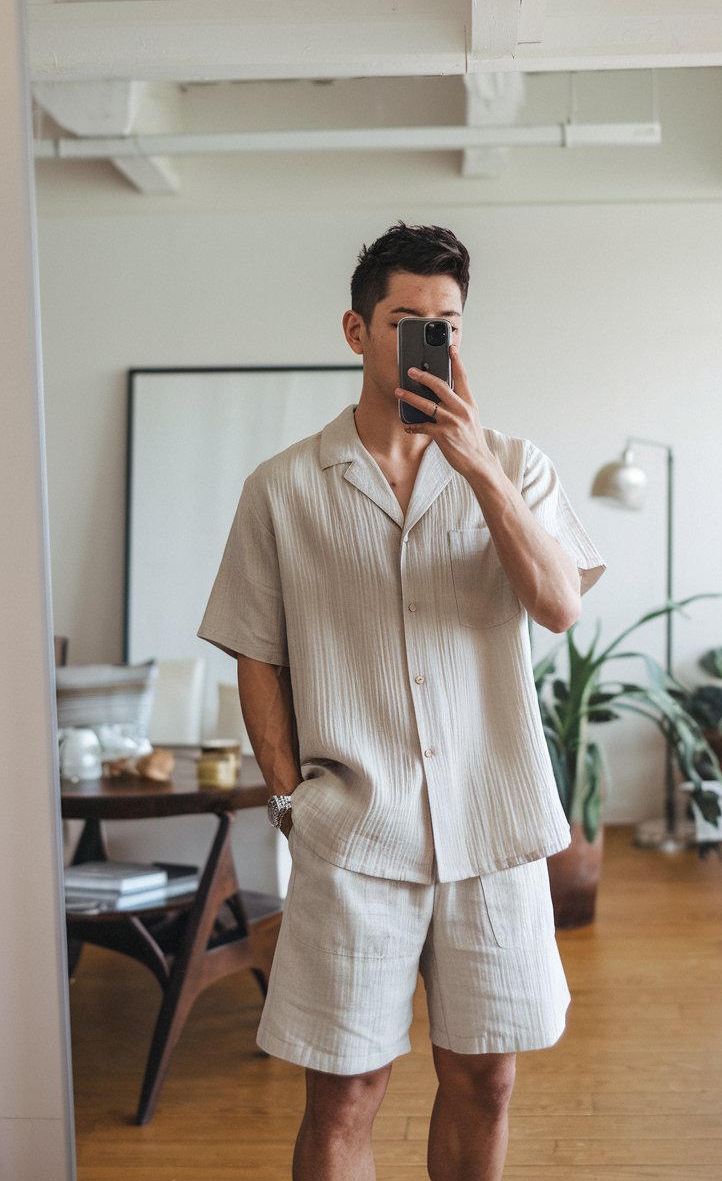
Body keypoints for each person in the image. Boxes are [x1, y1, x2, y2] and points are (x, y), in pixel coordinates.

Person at [198, 222, 604, 1180]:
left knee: (486, 1080)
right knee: (344, 1092)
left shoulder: (515, 463)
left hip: (494, 833)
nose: (435, 339)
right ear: (356, 330)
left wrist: (478, 468)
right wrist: (292, 799)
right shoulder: (284, 488)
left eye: (449, 323)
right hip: (357, 833)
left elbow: (556, 605)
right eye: (408, 319)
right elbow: (257, 654)